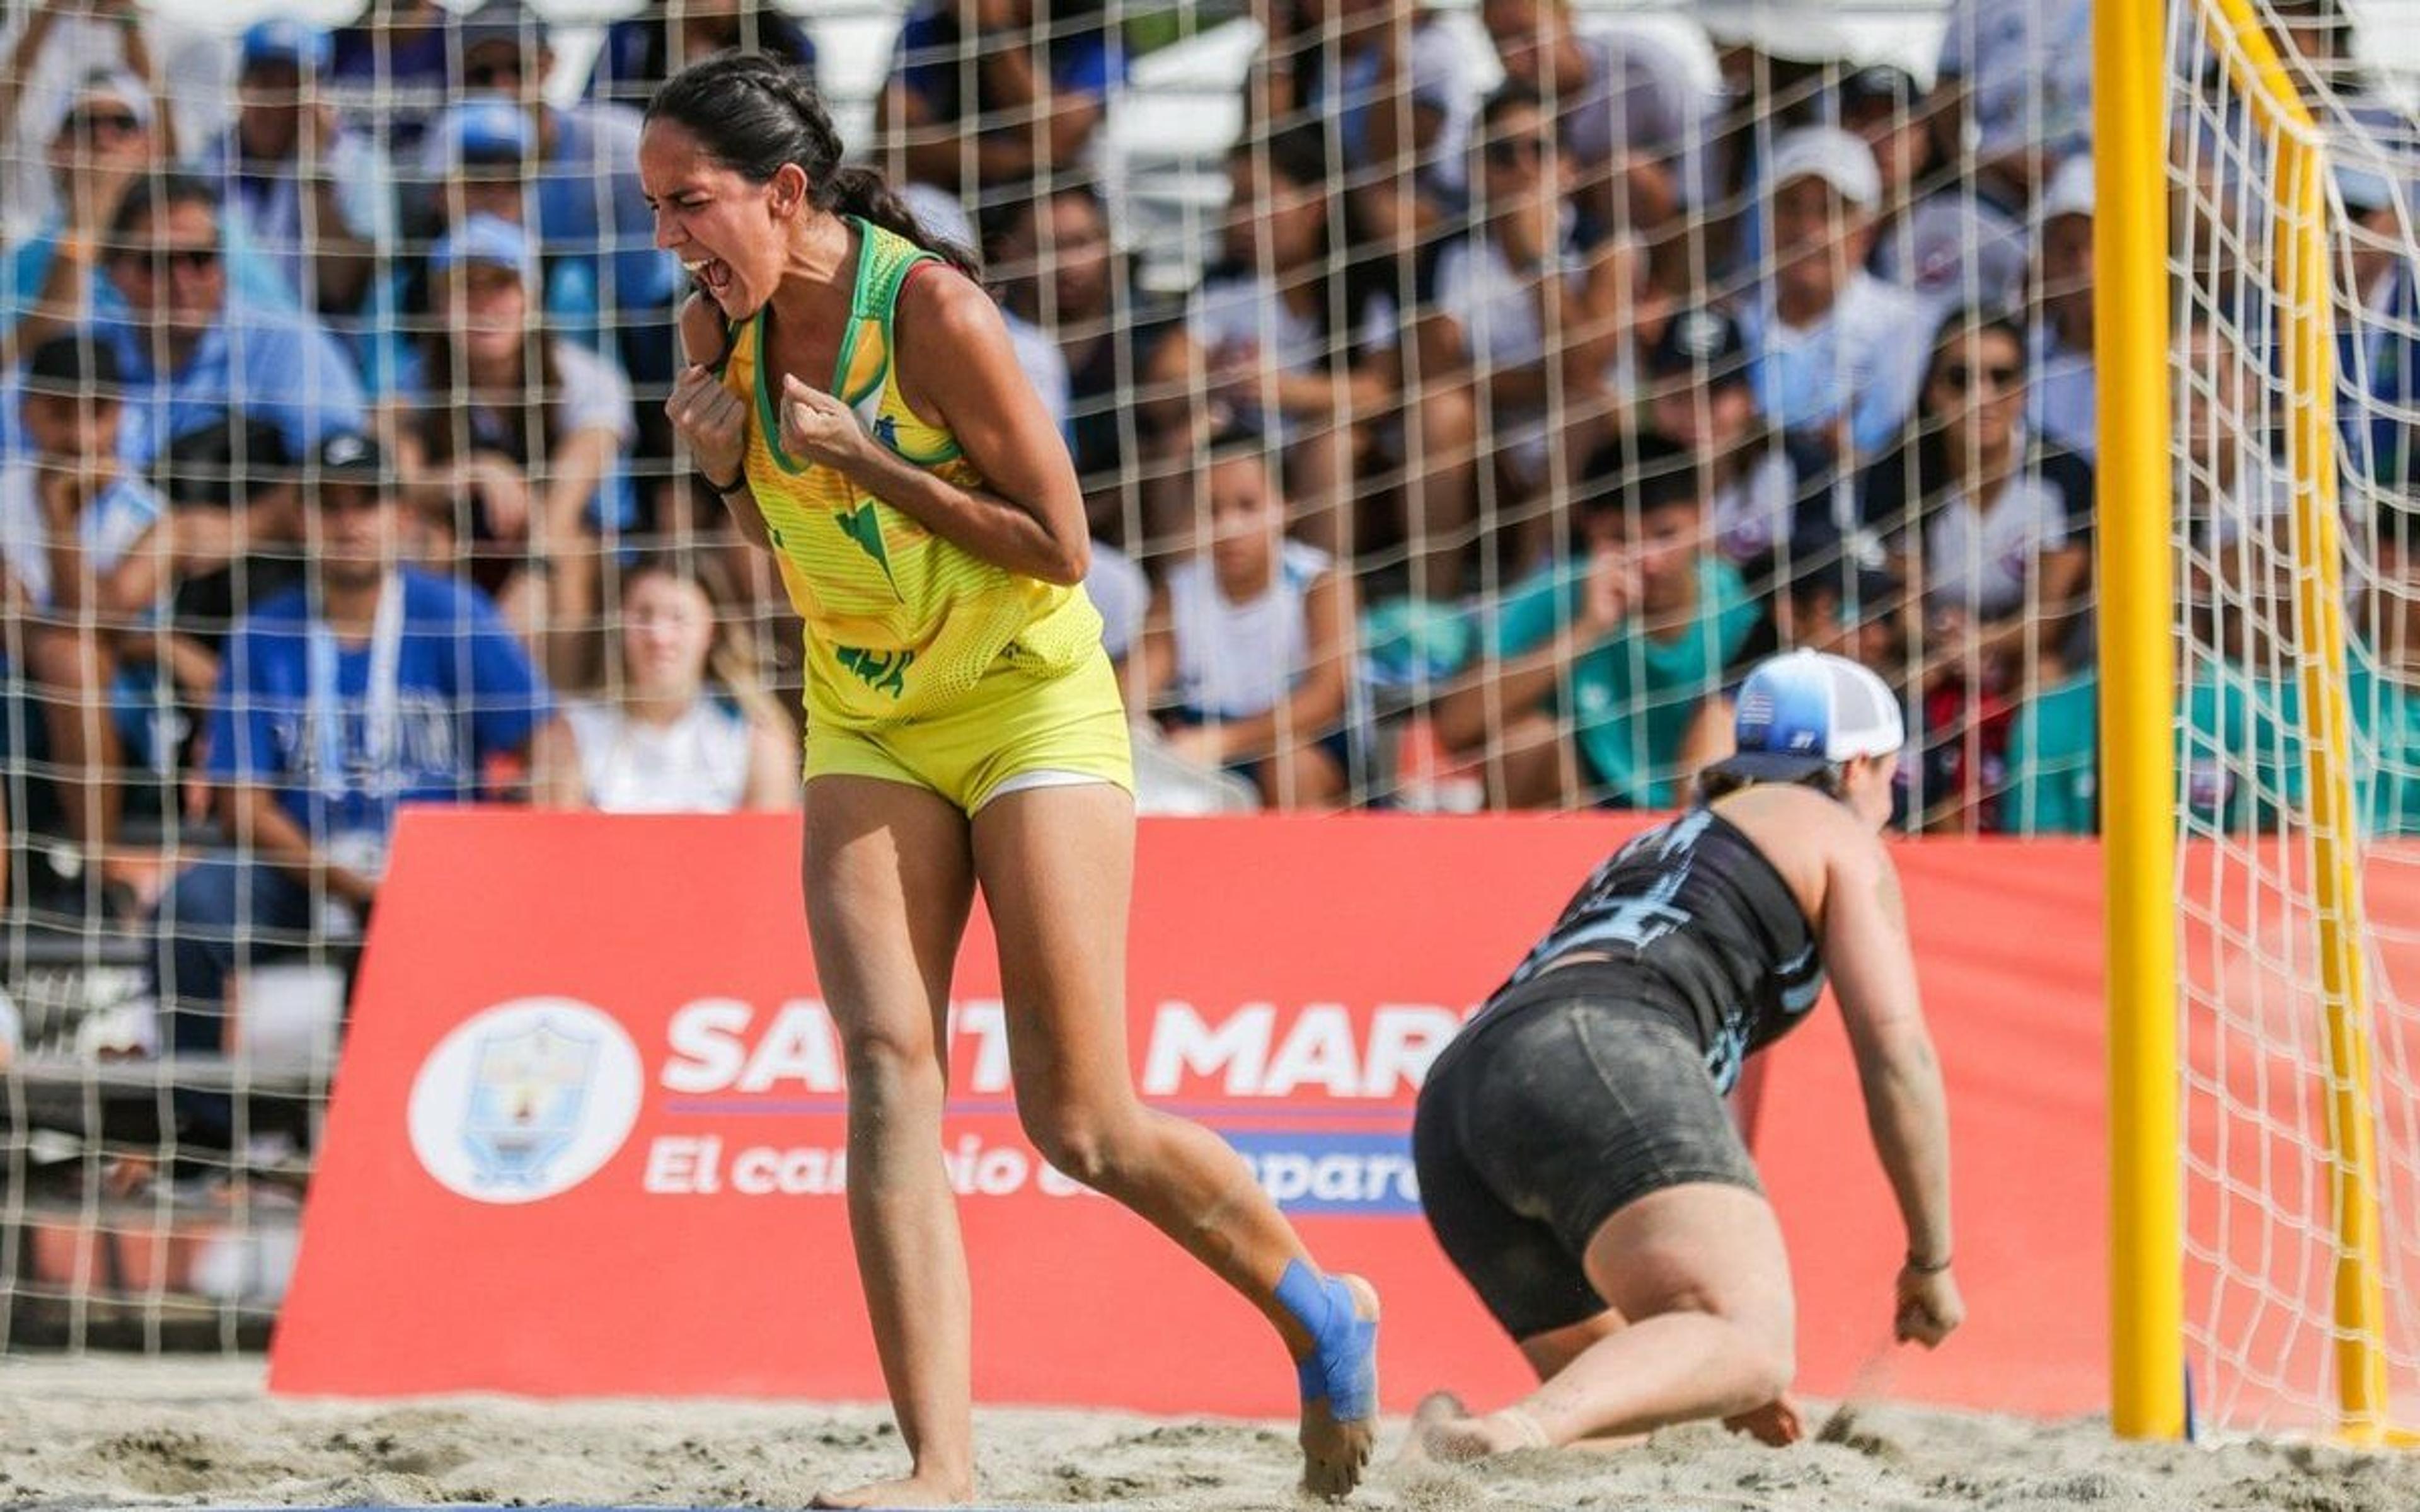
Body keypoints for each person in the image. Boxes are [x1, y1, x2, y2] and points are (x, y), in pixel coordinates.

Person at [640, 53, 1378, 1507]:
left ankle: (1321, 1304)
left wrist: (874, 459)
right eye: (654, 207)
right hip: (863, 710)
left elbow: (1059, 544)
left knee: (1079, 1116)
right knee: (884, 1065)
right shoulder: (709, 327)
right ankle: (940, 1463)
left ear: (783, 194)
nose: (668, 236)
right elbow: (790, 551)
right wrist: (727, 481)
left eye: (689, 203)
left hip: (1030, 698)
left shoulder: (933, 311)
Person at [1410, 648, 1961, 1458]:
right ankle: (1514, 1431)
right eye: (1891, 779)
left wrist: (1722, 1372)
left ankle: (1447, 1433)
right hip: (1602, 1044)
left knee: (1615, 1422)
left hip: (1464, 1095)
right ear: (1859, 767)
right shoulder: (1832, 830)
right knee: (1753, 1334)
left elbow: (1682, 1095)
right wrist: (1931, 1258)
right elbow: (1896, 1051)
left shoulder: (1660, 840)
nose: (1891, 804)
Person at [151, 430, 559, 1138]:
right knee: (191, 909)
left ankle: (436, 1134)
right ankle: (205, 1138)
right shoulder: (261, 633)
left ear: (401, 517)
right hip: (304, 865)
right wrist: (339, 878)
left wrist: (539, 823)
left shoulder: (453, 615)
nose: (349, 523)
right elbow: (240, 804)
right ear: (303, 521)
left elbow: (548, 738)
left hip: (439, 867)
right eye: (329, 506)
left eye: (365, 502)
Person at [1136, 428, 1361, 810]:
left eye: (1247, 506)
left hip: (1304, 748)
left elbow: (1325, 698)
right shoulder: (1178, 593)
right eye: (1212, 511)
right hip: (1205, 757)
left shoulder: (1320, 583)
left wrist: (1223, 740)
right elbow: (1137, 684)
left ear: (1286, 507)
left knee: (1288, 768)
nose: (1229, 527)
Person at [533, 554, 798, 813]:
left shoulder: (755, 737)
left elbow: (770, 848)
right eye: (644, 615)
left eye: (678, 618)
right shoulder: (573, 733)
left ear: (712, 630)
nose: (659, 637)